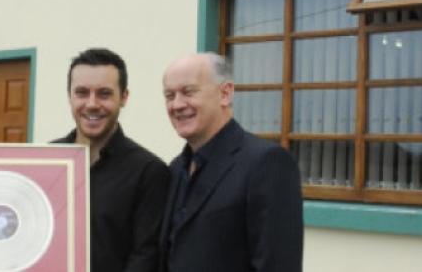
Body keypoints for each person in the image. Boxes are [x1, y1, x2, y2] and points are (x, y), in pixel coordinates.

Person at [160, 53, 303, 272]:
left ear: (225, 93)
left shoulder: (267, 163)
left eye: (188, 92)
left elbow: (277, 265)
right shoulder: (175, 168)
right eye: (170, 95)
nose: (177, 105)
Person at [54, 48, 170, 272]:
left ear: (124, 97)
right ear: (69, 95)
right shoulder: (48, 162)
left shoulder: (149, 172)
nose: (92, 104)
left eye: (104, 94)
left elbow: (145, 257)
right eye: (82, 93)